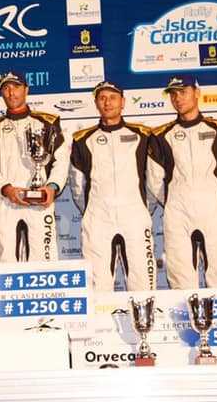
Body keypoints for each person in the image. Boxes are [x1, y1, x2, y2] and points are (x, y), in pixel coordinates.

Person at [147, 75, 217, 288]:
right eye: (173, 94)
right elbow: (154, 181)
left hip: (214, 212)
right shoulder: (161, 135)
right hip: (177, 215)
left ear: (197, 93)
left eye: (183, 92)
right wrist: (174, 201)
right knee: (180, 279)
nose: (177, 98)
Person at [0, 70, 70, 263]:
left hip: (41, 202)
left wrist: (52, 187)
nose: (11, 93)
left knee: (44, 264)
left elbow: (61, 160)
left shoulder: (48, 123)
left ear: (26, 89)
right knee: (5, 263)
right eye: (6, 88)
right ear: (1, 93)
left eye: (16, 87)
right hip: (6, 202)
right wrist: (6, 189)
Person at [69, 80, 156, 292]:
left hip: (134, 216)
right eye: (102, 98)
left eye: (112, 98)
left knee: (142, 281)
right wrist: (91, 209)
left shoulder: (143, 135)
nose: (107, 103)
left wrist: (143, 209)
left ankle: (144, 314)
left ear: (123, 102)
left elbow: (154, 179)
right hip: (98, 218)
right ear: (96, 103)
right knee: (97, 283)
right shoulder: (83, 139)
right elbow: (77, 184)